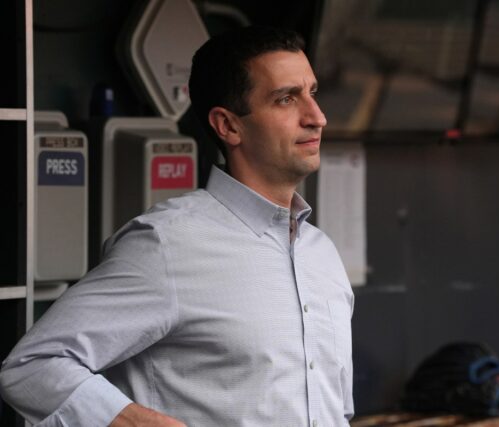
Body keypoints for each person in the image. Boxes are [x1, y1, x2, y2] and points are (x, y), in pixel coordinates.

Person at [0, 26, 354, 427]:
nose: (317, 117)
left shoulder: (322, 254)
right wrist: (129, 420)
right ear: (228, 126)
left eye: (313, 93)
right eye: (287, 99)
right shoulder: (167, 244)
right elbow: (32, 367)